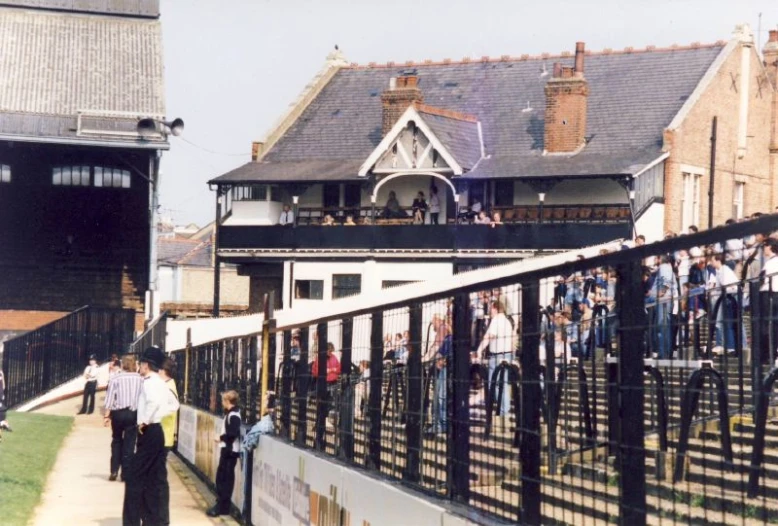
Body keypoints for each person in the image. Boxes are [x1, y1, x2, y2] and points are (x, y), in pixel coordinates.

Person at [123, 346, 180, 526]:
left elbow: (154, 402)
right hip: (158, 431)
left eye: (141, 363)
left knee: (134, 477)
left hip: (148, 431)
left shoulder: (149, 382)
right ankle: (152, 520)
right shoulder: (161, 383)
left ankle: (132, 521)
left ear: (147, 365)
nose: (139, 366)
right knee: (152, 479)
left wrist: (145, 421)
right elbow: (174, 404)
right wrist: (159, 415)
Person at [475, 301, 514, 430]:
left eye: (491, 309)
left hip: (497, 356)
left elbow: (489, 336)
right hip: (507, 355)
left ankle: (502, 413)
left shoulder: (497, 320)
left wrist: (479, 349)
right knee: (502, 384)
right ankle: (504, 414)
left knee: (495, 385)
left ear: (495, 308)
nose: (490, 312)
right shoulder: (507, 322)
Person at [104, 355, 143, 482]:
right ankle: (126, 473)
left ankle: (114, 470)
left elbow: (110, 398)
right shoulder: (140, 379)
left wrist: (106, 415)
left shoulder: (116, 378)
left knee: (116, 440)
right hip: (133, 413)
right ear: (134, 365)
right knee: (129, 444)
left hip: (118, 413)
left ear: (122, 365)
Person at [207, 390, 242, 518]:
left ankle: (222, 506)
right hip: (228, 450)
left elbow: (233, 434)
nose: (222, 403)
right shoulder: (232, 414)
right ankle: (222, 506)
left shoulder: (234, 415)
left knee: (225, 480)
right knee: (222, 478)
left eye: (223, 400)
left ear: (227, 401)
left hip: (229, 451)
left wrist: (221, 438)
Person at [158, 359, 179, 525]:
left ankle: (162, 518)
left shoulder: (168, 388)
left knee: (160, 479)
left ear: (163, 371)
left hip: (163, 436)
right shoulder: (170, 385)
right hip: (164, 436)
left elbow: (172, 407)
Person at [311, 342, 341, 429]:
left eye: (331, 351)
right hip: (323, 383)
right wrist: (324, 371)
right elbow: (314, 371)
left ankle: (325, 419)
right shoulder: (319, 359)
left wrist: (332, 370)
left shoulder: (334, 358)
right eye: (329, 351)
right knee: (321, 403)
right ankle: (320, 421)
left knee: (329, 402)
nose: (330, 353)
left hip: (332, 382)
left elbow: (339, 368)